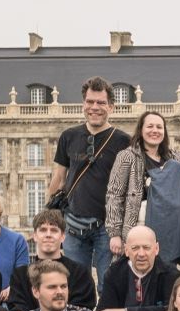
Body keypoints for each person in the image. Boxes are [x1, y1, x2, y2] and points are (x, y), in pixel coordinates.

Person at [49, 76, 132, 282]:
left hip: (107, 228)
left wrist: (124, 230)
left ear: (111, 107)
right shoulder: (68, 136)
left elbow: (131, 188)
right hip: (73, 224)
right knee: (76, 286)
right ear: (83, 104)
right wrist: (50, 220)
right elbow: (58, 179)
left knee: (108, 285)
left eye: (101, 103)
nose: (95, 107)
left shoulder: (123, 140)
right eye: (90, 102)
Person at [108, 110, 180, 270]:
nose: (154, 131)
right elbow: (114, 195)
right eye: (150, 126)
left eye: (159, 127)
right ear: (141, 130)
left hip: (170, 231)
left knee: (166, 276)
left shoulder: (174, 159)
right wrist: (115, 233)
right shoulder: (127, 156)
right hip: (139, 226)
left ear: (164, 132)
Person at [95, 225, 179, 311]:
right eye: (135, 248)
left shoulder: (170, 274)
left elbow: (170, 310)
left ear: (156, 249)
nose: (141, 254)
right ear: (126, 250)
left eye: (146, 248)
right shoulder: (114, 273)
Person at [7, 210, 97, 311]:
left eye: (54, 230)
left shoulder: (80, 273)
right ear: (35, 236)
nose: (48, 235)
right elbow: (18, 310)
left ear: (63, 236)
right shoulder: (20, 275)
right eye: (43, 230)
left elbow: (82, 309)